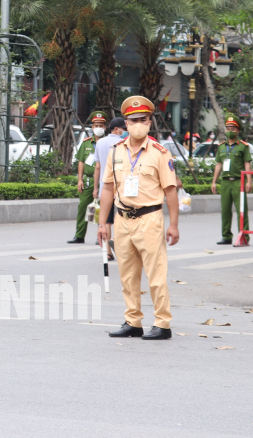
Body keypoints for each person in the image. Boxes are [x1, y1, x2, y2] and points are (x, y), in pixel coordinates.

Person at [98, 96, 179, 340]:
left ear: (150, 121)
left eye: (143, 119)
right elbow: (108, 189)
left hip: (150, 218)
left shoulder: (159, 153)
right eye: (133, 120)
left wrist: (173, 224)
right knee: (128, 275)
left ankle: (162, 323)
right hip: (123, 220)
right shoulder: (116, 152)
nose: (138, 124)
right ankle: (133, 321)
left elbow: (171, 191)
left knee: (156, 275)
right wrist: (103, 224)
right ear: (125, 123)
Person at [210, 114, 253, 246]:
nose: (230, 131)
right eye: (228, 128)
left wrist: (249, 181)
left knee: (242, 209)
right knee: (225, 210)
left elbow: (247, 163)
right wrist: (214, 181)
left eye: (233, 129)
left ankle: (244, 236)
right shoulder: (222, 147)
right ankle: (226, 236)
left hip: (238, 182)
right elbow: (218, 164)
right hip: (225, 181)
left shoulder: (243, 146)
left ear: (238, 131)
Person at [69, 111, 107, 244]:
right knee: (83, 207)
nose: (98, 128)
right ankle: (79, 235)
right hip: (88, 179)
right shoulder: (86, 143)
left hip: (103, 180)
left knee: (102, 208)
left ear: (105, 127)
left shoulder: (108, 143)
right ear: (92, 127)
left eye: (101, 125)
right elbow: (81, 161)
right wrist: (79, 179)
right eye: (96, 125)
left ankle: (100, 236)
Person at [93, 116, 126, 261]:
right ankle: (116, 242)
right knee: (120, 219)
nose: (126, 132)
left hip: (104, 187)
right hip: (121, 188)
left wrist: (96, 188)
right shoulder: (124, 142)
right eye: (124, 129)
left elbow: (98, 166)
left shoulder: (100, 142)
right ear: (117, 129)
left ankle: (107, 251)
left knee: (106, 220)